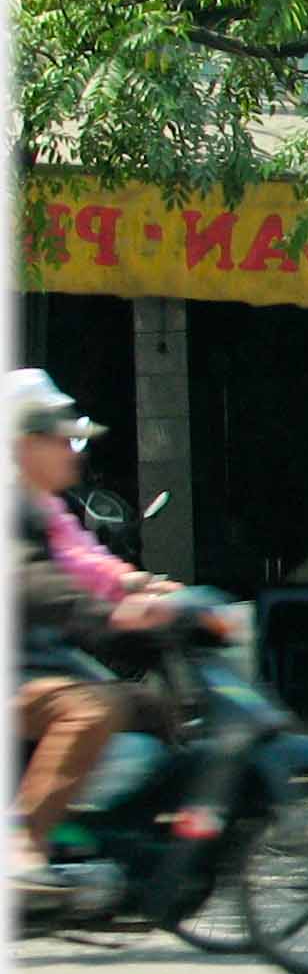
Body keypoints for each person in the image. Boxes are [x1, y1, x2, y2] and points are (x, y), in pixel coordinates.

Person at [9, 369, 179, 900]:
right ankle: (20, 845)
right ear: (25, 442)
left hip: (39, 658)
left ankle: (113, 846)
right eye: (60, 440)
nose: (72, 452)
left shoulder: (44, 505)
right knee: (91, 709)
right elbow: (33, 582)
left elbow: (84, 558)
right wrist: (112, 615)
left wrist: (139, 583)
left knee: (150, 707)